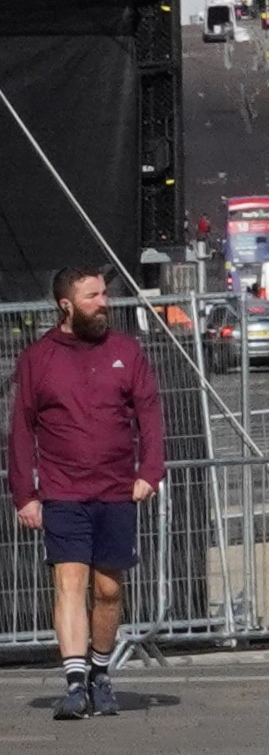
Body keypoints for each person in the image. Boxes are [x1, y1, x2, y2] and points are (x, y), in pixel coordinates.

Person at [8, 269, 164, 718]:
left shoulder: (126, 352)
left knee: (109, 590)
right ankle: (75, 684)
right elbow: (20, 430)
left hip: (116, 489)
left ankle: (100, 672)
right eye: (93, 296)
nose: (104, 302)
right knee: (70, 583)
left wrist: (149, 472)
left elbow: (149, 415)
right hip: (62, 491)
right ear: (66, 305)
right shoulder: (38, 359)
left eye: (104, 293)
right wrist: (25, 494)